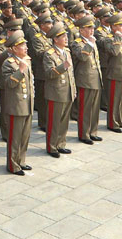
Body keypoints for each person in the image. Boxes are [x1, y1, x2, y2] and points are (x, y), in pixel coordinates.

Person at [0, 31, 34, 175]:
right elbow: (8, 83)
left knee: (25, 135)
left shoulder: (27, 59)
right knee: (15, 137)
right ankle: (13, 164)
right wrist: (19, 71)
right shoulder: (8, 63)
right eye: (22, 45)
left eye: (25, 44)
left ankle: (21, 160)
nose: (25, 47)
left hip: (27, 102)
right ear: (14, 48)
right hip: (16, 105)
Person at [42, 23, 74, 157]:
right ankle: (51, 146)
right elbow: (49, 73)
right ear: (55, 39)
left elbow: (71, 74)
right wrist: (62, 67)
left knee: (64, 121)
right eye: (63, 36)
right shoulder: (49, 54)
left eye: (66, 36)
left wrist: (73, 89)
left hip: (67, 90)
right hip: (56, 92)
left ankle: (61, 143)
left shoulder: (66, 51)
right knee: (54, 121)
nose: (66, 38)